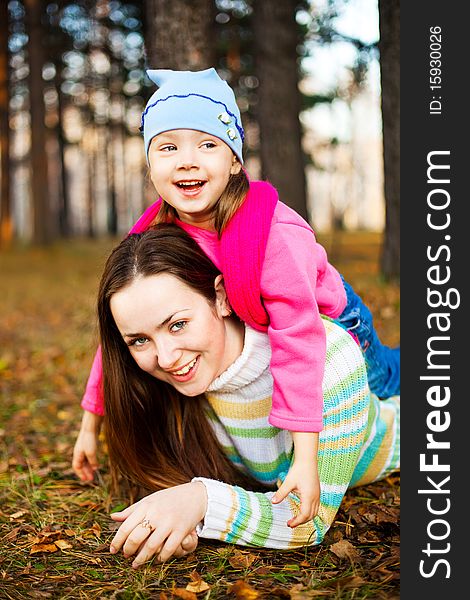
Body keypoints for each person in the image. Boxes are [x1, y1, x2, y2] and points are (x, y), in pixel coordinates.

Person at [74, 67, 400, 528]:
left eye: (207, 144)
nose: (187, 161)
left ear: (234, 162)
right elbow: (125, 328)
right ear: (151, 167)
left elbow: (300, 341)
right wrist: (91, 424)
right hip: (261, 329)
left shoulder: (274, 236)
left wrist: (304, 458)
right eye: (168, 148)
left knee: (395, 384)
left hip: (337, 330)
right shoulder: (157, 235)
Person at [74, 225, 399, 567]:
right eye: (140, 340)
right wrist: (184, 521)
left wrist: (200, 502)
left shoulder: (328, 361)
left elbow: (307, 522)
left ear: (221, 296)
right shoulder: (169, 381)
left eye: (177, 324)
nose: (166, 358)